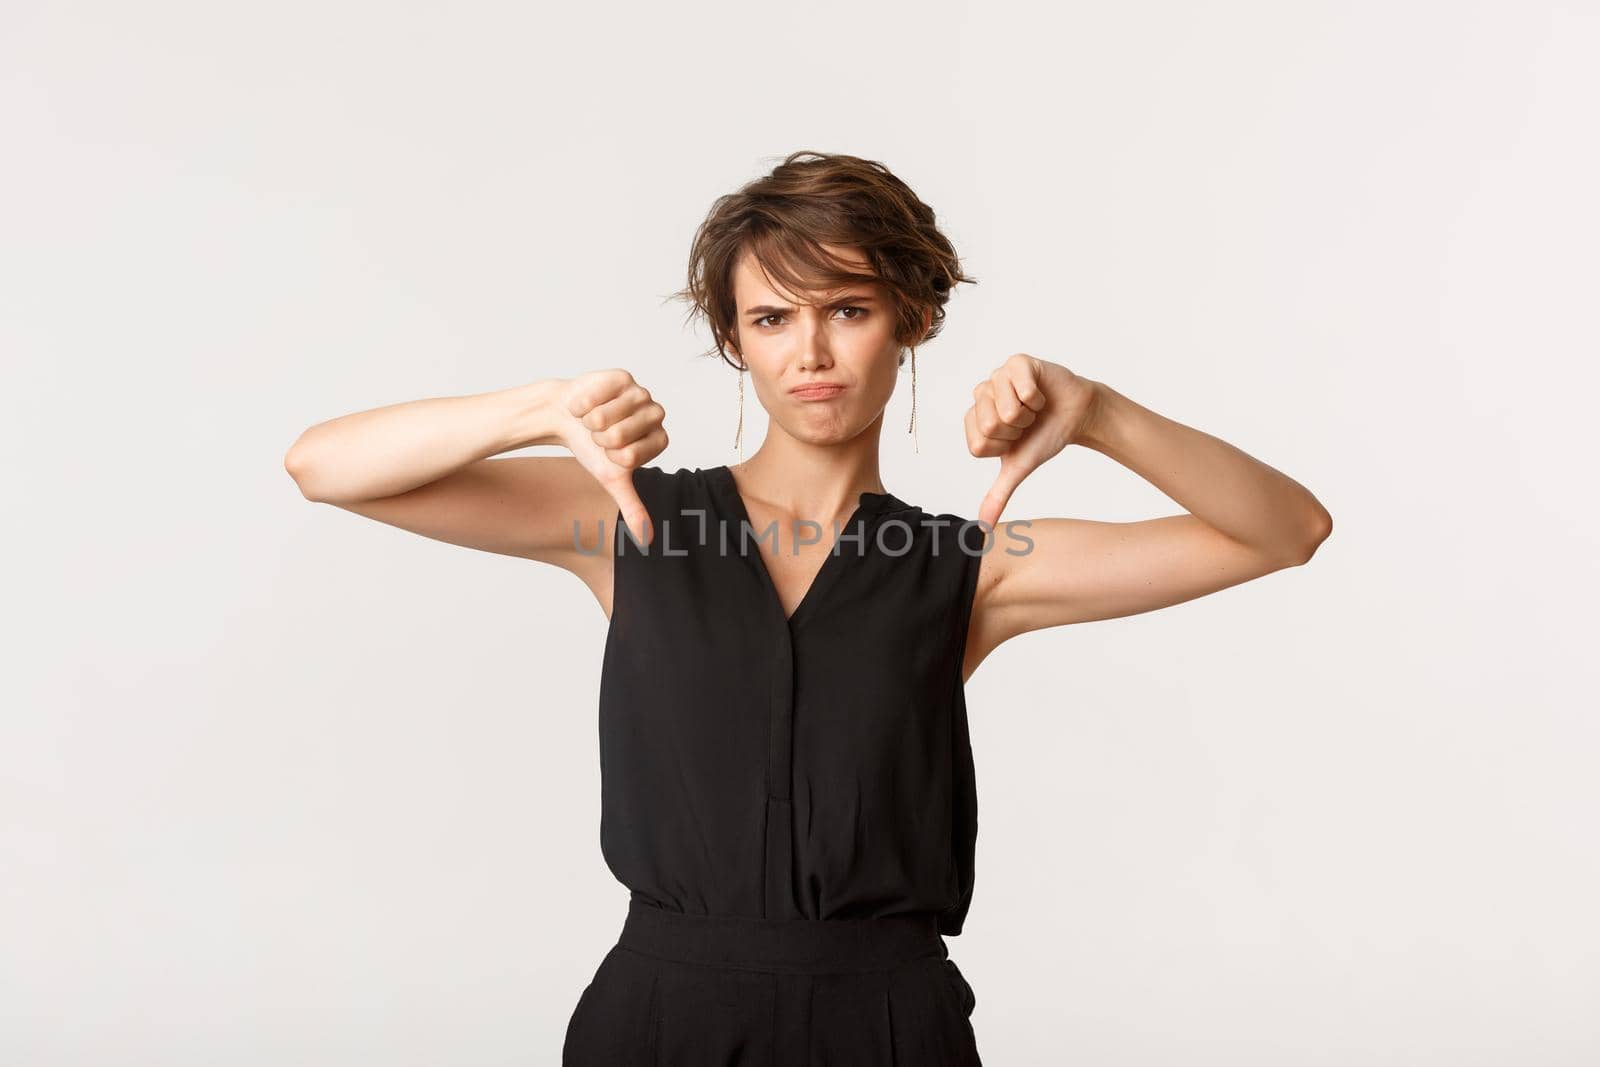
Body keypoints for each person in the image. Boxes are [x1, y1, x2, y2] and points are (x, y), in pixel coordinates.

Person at [283, 150, 1332, 1065]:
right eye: (771, 317)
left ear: (909, 321)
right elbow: (323, 466)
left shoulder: (967, 566)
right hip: (659, 1014)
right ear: (735, 342)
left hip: (885, 1020)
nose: (811, 353)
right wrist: (536, 412)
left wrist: (1100, 413)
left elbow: (1284, 530)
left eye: (848, 308)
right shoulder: (634, 521)